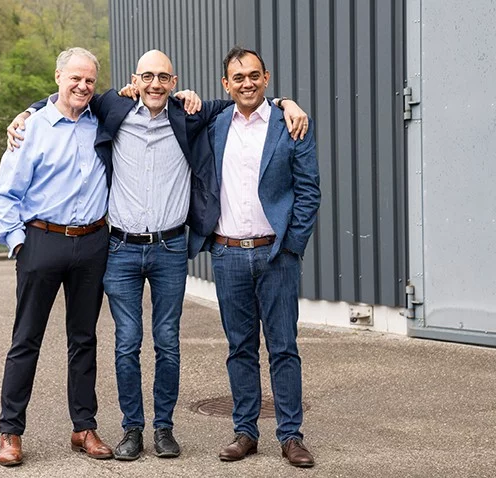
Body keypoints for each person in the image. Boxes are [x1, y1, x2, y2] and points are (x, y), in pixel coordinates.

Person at [7, 49, 309, 461]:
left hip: (170, 249)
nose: (154, 84)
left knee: (168, 342)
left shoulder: (189, 114)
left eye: (163, 77)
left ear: (174, 82)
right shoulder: (113, 107)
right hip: (121, 249)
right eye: (147, 76)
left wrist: (285, 103)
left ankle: (164, 428)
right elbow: (70, 95)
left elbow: (246, 99)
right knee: (126, 343)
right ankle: (132, 428)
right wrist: (27, 111)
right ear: (135, 80)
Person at [194, 46, 320, 468]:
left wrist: (291, 246)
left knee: (283, 347)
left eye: (254, 75)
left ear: (266, 77)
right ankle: (245, 432)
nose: (247, 83)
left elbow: (309, 190)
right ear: (225, 84)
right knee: (240, 349)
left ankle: (291, 436)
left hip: (275, 254)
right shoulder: (215, 124)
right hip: (228, 253)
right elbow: (167, 104)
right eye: (238, 77)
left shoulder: (291, 123)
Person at [0, 47, 114, 467]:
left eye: (89, 80)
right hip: (42, 241)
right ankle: (10, 431)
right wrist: (18, 243)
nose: (82, 86)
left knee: (84, 339)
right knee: (26, 339)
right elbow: (4, 193)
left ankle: (84, 427)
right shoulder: (32, 128)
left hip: (92, 243)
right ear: (58, 77)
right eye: (75, 77)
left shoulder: (102, 122)